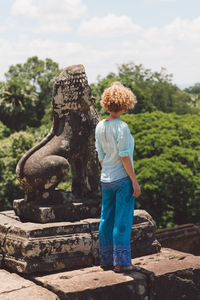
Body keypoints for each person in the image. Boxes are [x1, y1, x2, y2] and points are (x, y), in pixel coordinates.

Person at [95, 81, 141, 273]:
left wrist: (107, 172)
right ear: (124, 104)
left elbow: (100, 157)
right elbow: (124, 155)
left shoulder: (100, 126)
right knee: (122, 220)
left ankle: (106, 259)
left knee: (106, 219)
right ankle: (121, 262)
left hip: (106, 179)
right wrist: (134, 181)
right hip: (122, 180)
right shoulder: (121, 127)